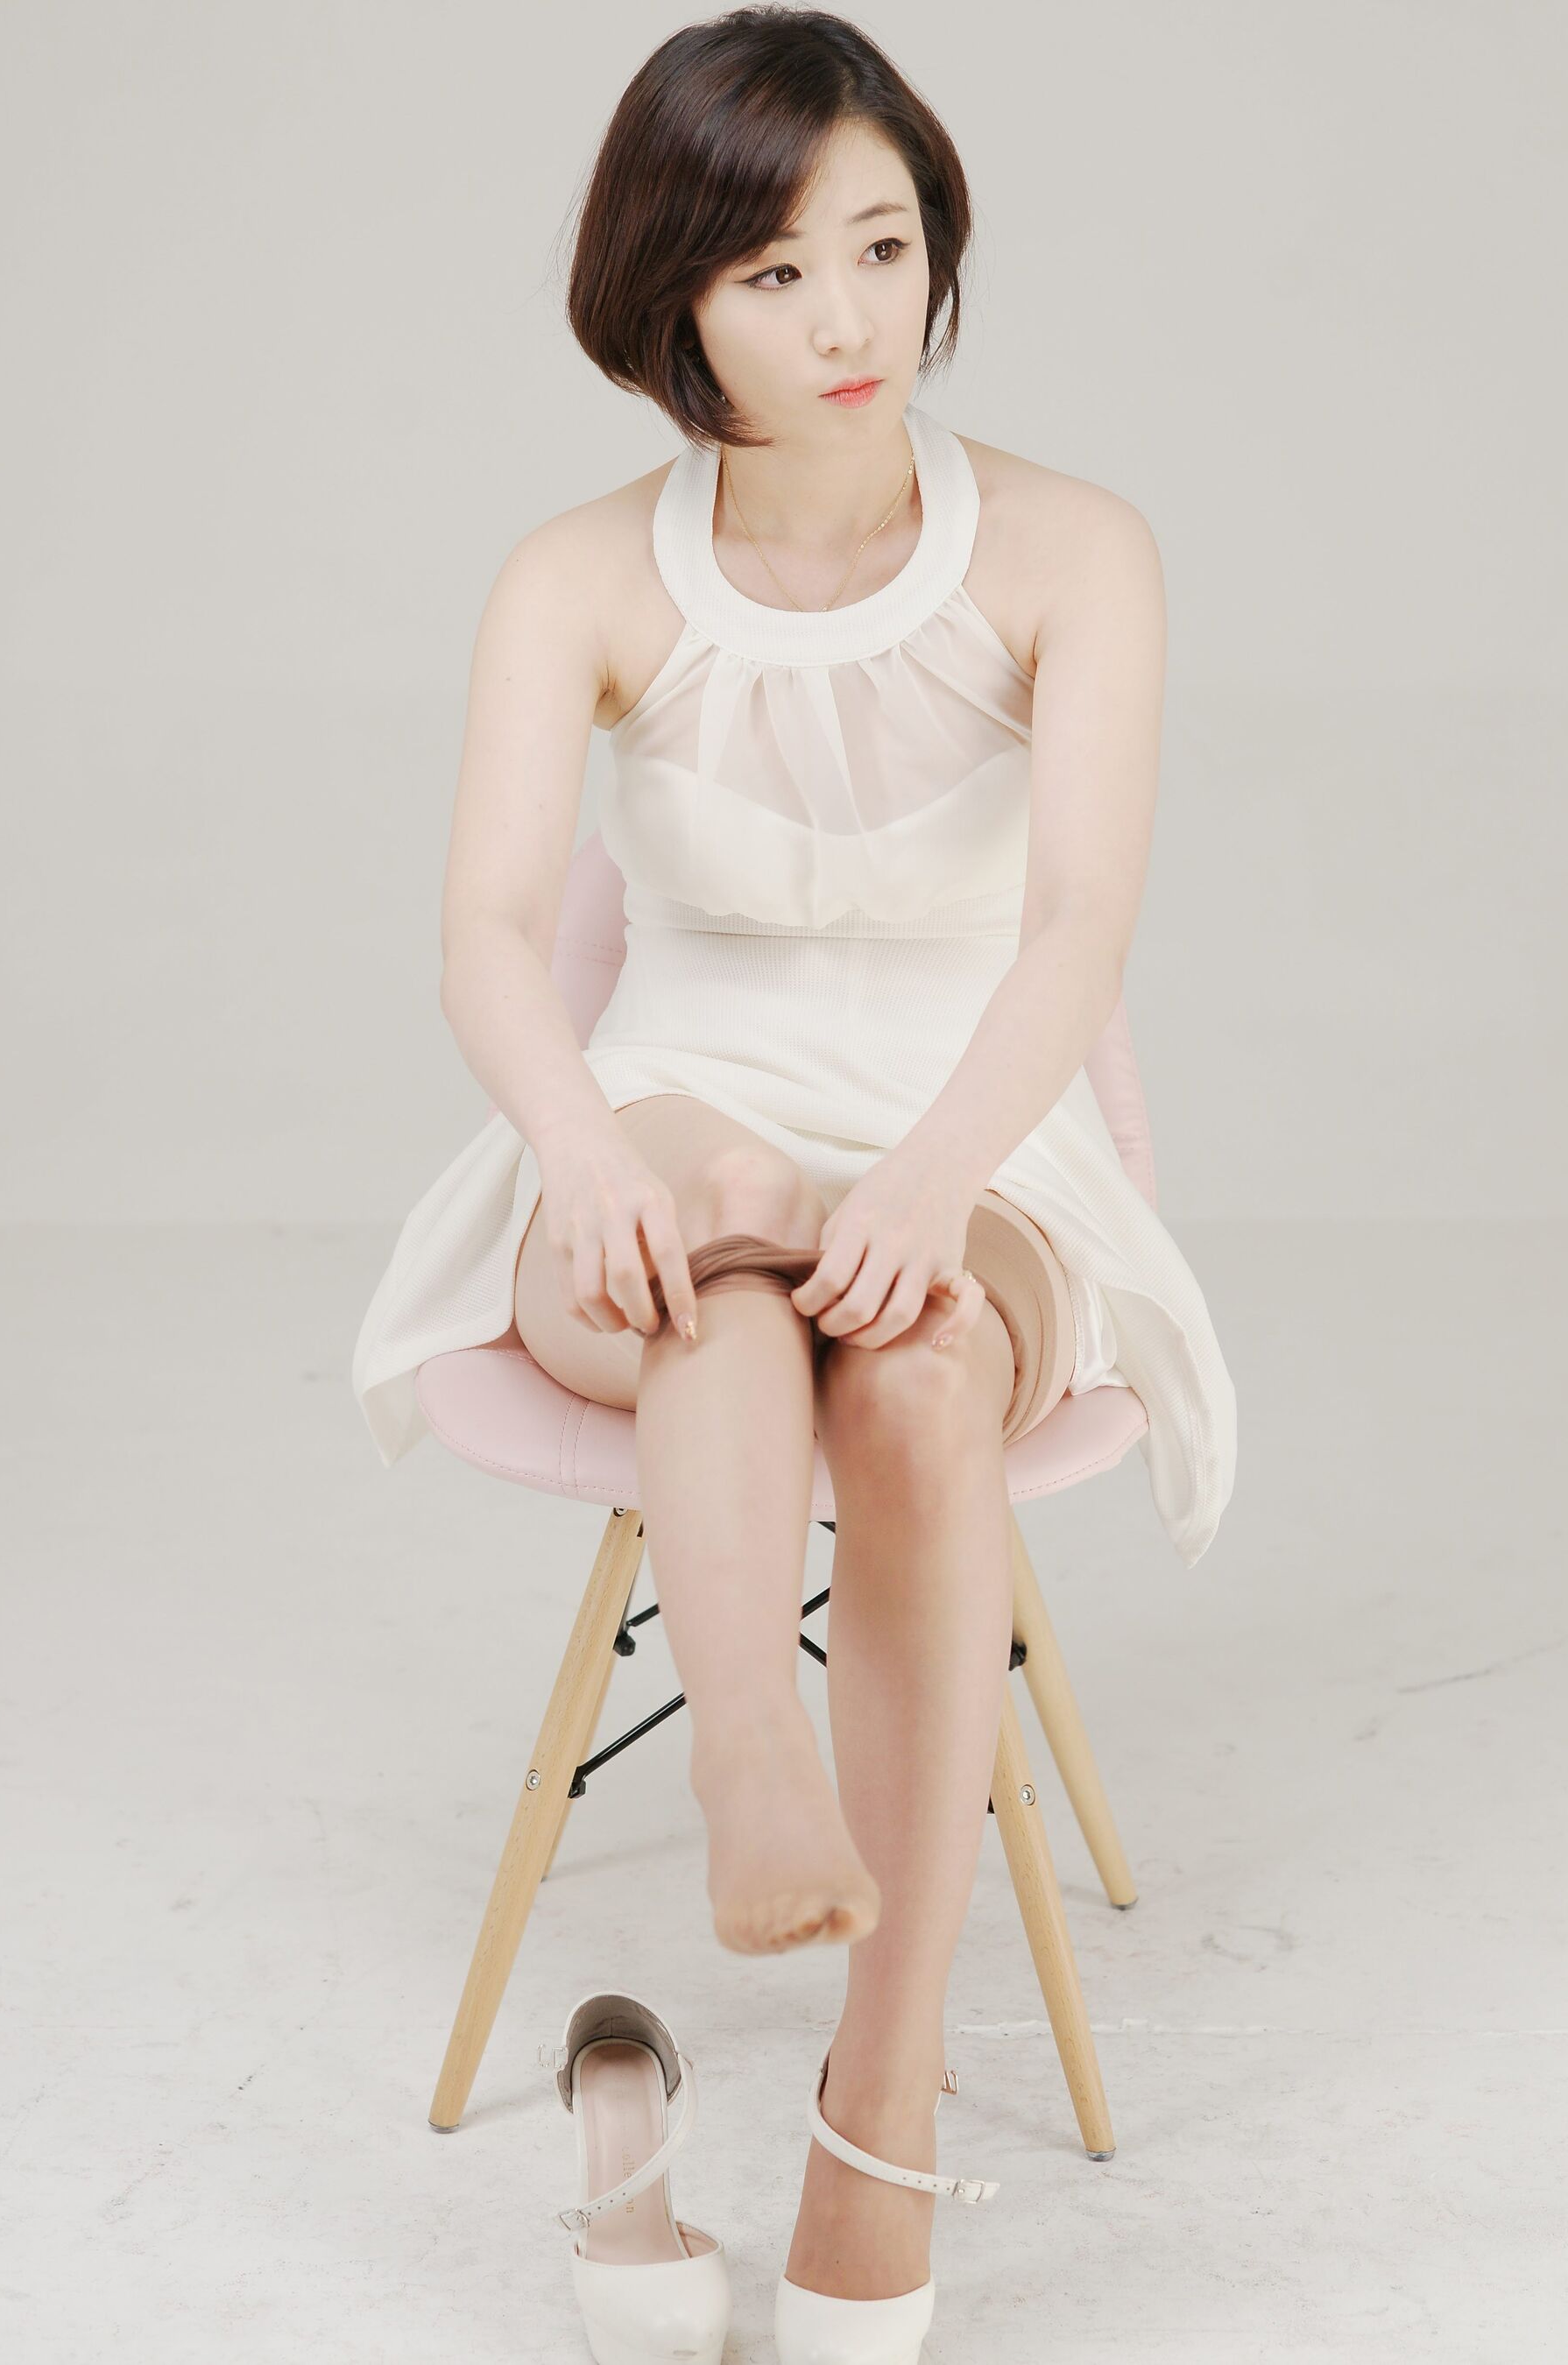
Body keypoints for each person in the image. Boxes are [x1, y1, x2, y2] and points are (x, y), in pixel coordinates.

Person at [351, 3, 1238, 2323]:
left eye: (882, 245)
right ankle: (752, 1746)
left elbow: (1078, 926)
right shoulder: (579, 575)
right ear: (672, 299)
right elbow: (487, 936)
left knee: (923, 1376)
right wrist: (581, 1150)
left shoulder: (1077, 548)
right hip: (672, 1104)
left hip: (975, 1117)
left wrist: (936, 1180)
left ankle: (884, 2103)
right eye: (772, 272)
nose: (851, 317)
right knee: (717, 1235)